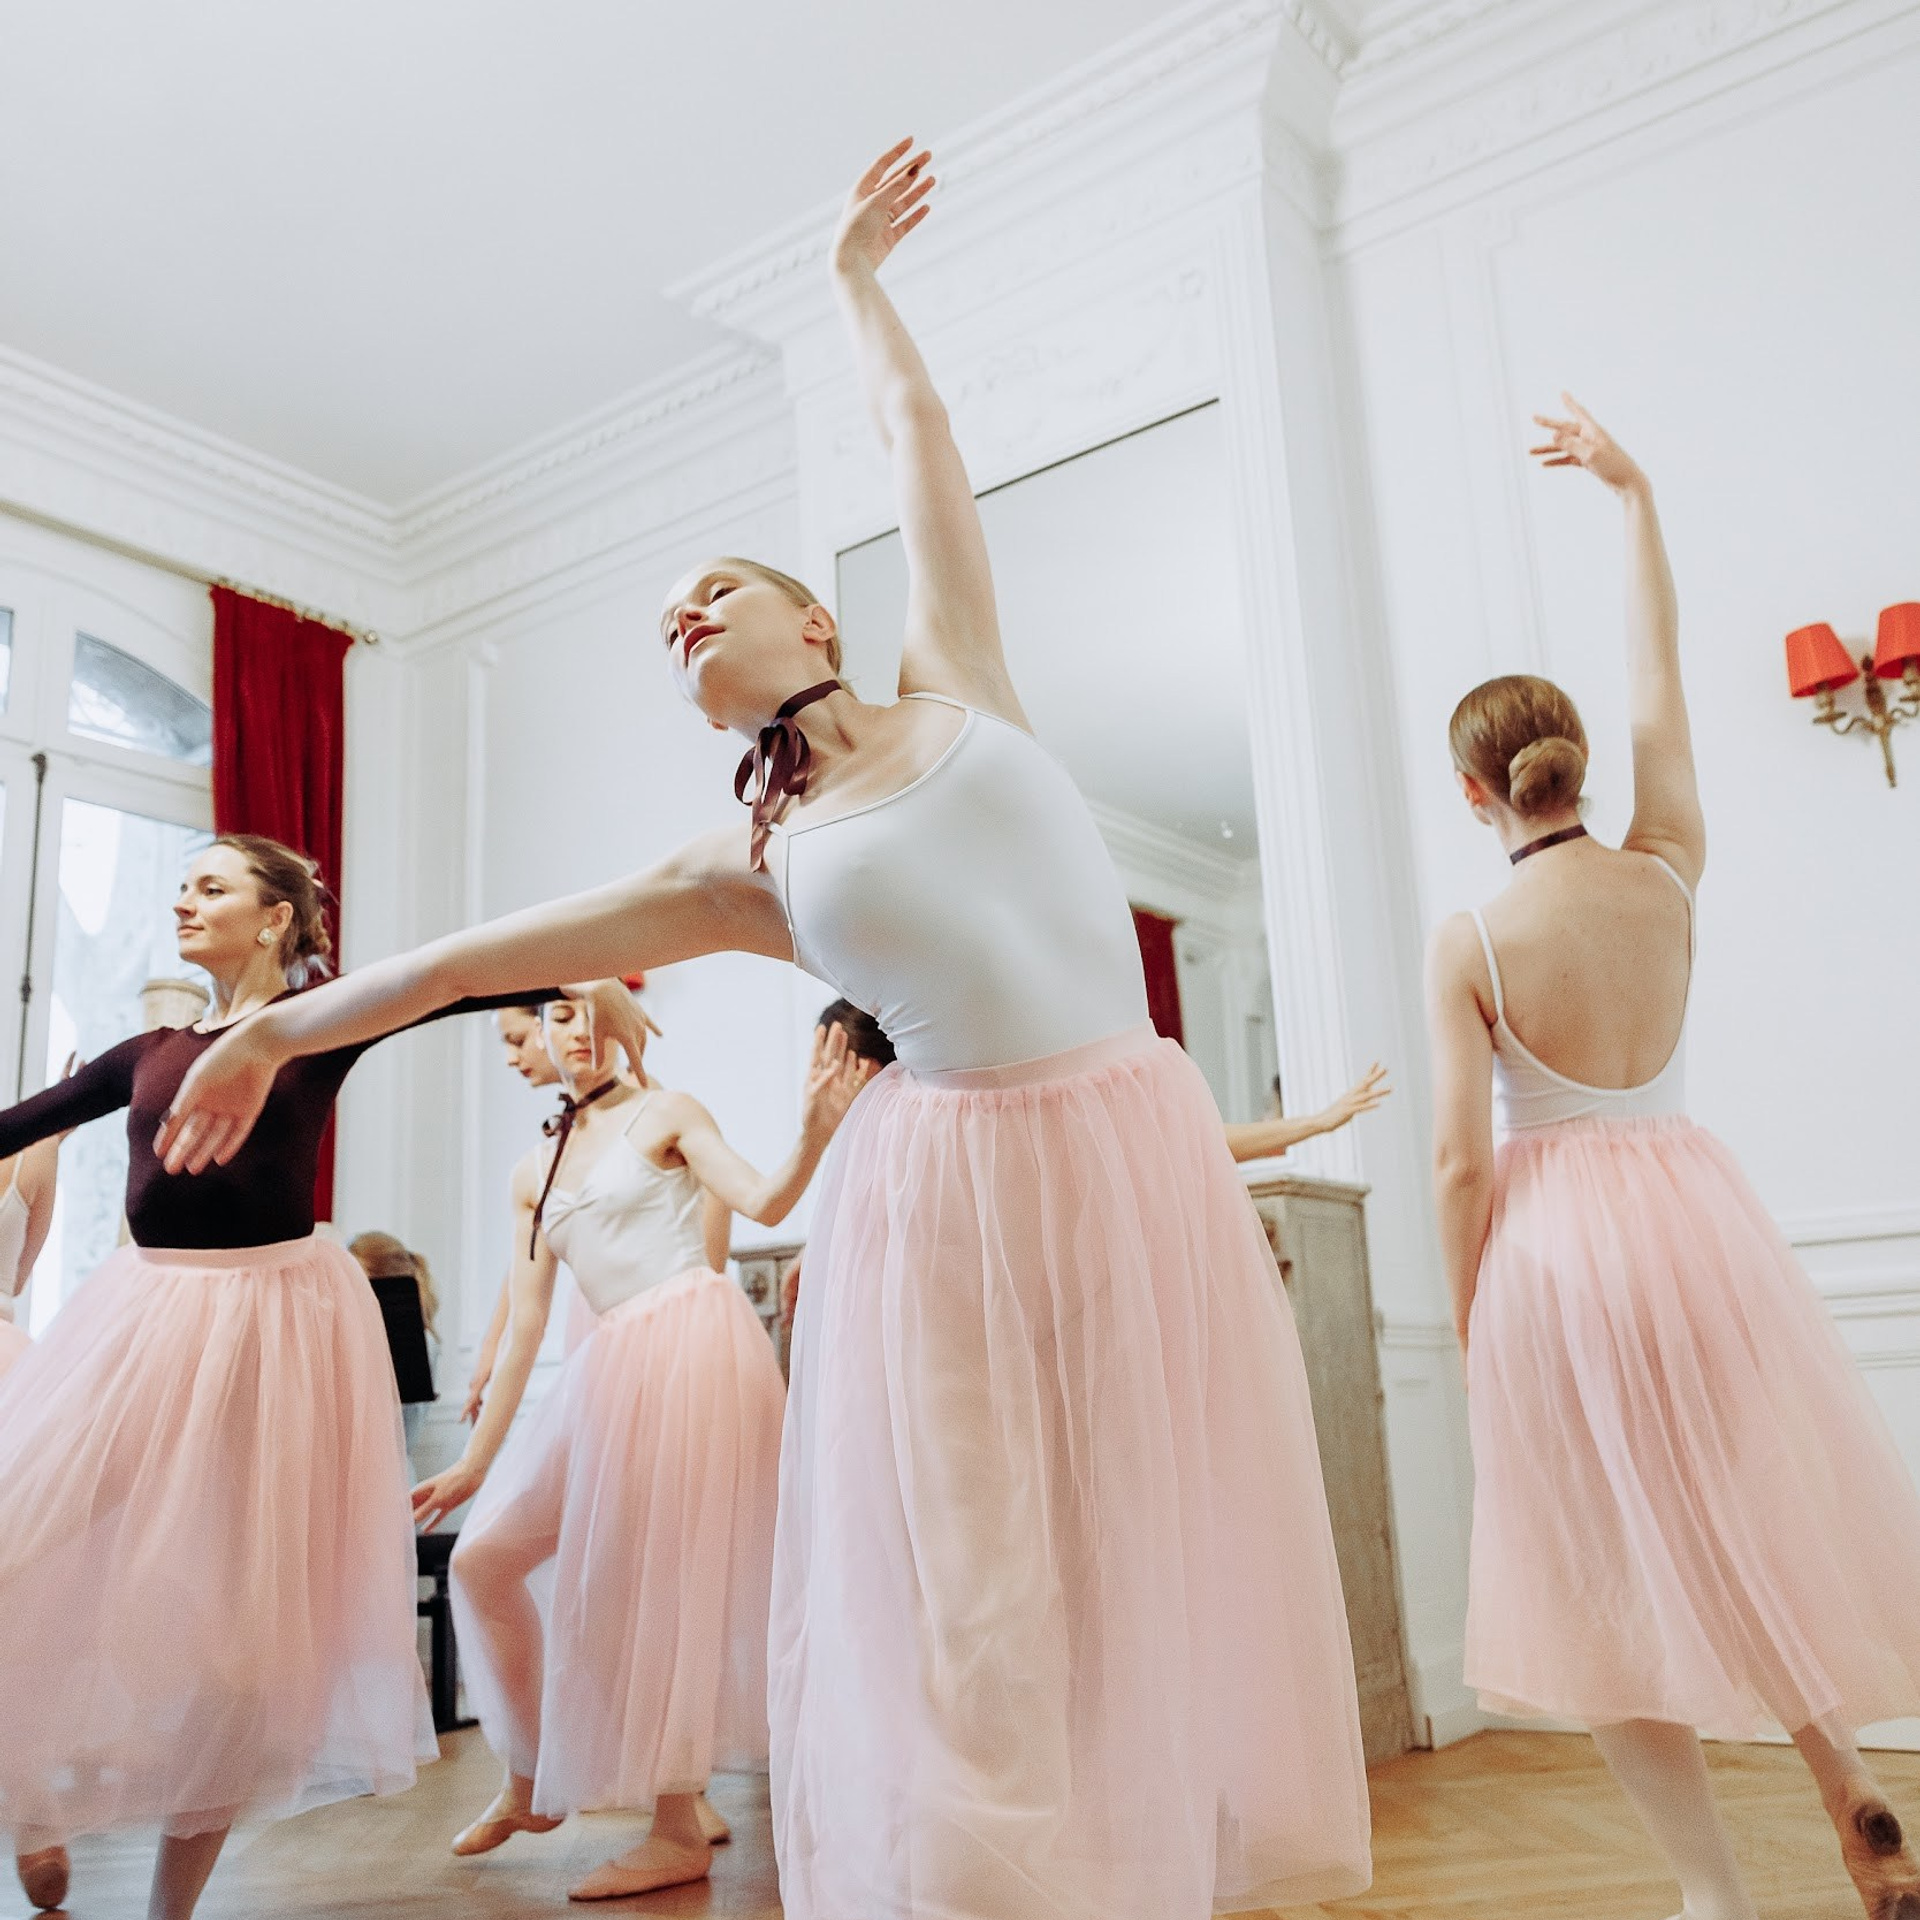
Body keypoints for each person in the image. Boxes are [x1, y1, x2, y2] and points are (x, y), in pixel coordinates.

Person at [159, 141, 1371, 1920]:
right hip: (938, 1190)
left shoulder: (964, 677)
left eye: (713, 592)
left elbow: (920, 445)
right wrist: (283, 1033)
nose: (685, 619)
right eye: (668, 626)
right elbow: (469, 958)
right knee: (974, 1579)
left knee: (1131, 1546)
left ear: (817, 617)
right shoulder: (746, 866)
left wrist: (859, 285)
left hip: (1128, 1143)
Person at [1425, 396, 1920, 1920]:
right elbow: (1664, 681)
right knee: (1733, 1522)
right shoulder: (1668, 865)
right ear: (1573, 764)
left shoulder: (1470, 938)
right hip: (1696, 1222)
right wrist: (1632, 497)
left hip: (1557, 1259)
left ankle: (1713, 1897)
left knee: (1597, 1587)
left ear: (1476, 793)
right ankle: (1846, 1785)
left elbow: (1457, 1166)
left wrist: (1464, 1317)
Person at [0, 834, 545, 1920]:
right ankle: (33, 1800)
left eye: (210, 886)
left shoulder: (318, 1030)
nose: (184, 903)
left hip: (276, 1336)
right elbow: (14, 1127)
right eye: (182, 888)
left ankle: (169, 1910)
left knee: (235, 1655)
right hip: (148, 1324)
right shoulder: (144, 1050)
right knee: (27, 1540)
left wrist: (589, 983)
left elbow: (463, 980)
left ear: (277, 919)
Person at [417, 984, 869, 1901]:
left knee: (648, 1583)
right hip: (610, 1363)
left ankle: (675, 1827)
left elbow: (765, 1200)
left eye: (585, 1012)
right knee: (485, 1562)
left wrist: (816, 1128)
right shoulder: (532, 1169)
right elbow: (529, 1327)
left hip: (690, 1345)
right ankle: (536, 1778)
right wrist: (473, 1462)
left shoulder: (667, 1114)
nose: (570, 1032)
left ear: (619, 1022)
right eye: (555, 1016)